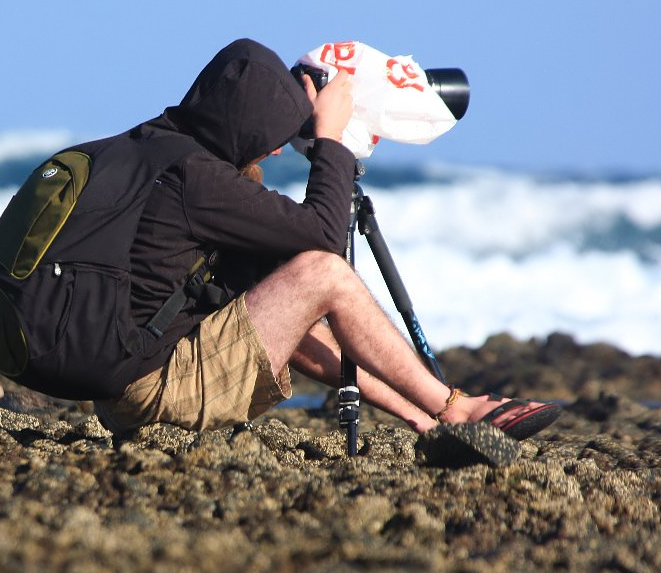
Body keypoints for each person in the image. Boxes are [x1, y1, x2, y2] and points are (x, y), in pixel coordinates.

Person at [93, 38, 560, 441]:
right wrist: (331, 142)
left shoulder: (166, 155)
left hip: (123, 390)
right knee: (325, 274)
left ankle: (436, 416)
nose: (277, 147)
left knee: (297, 293)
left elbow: (293, 327)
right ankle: (455, 404)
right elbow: (324, 244)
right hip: (155, 389)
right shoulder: (202, 183)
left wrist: (418, 418)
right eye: (268, 130)